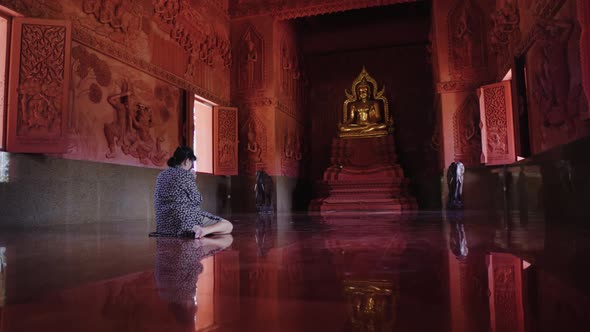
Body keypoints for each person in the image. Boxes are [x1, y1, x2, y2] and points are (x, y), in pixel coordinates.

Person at [152, 146, 233, 238]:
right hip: (184, 222)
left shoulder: (161, 175)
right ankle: (203, 231)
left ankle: (200, 230)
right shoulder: (186, 175)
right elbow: (197, 200)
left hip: (164, 225)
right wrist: (193, 180)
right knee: (227, 226)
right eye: (191, 162)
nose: (191, 166)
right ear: (187, 161)